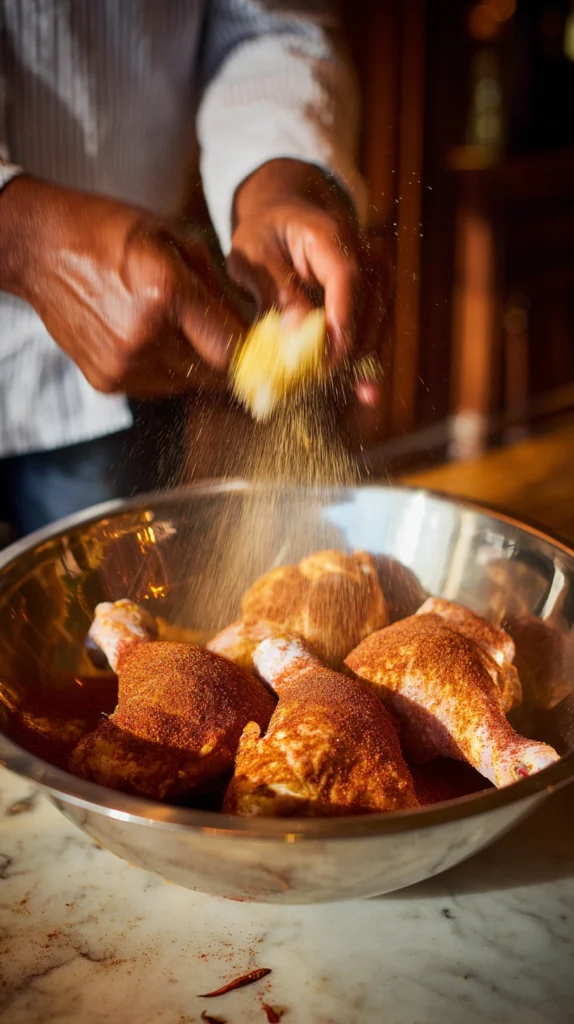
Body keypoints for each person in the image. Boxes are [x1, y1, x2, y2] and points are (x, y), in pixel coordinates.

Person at [0, 0, 382, 539]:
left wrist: (277, 175)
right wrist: (22, 237)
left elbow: (269, 25)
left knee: (119, 607)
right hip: (125, 319)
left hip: (129, 363)